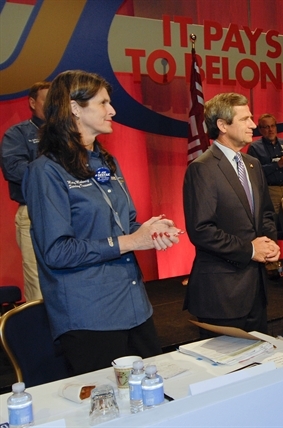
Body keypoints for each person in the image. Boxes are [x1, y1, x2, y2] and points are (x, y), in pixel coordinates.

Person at [23, 70, 181, 375]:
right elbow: (56, 251)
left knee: (154, 395)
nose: (113, 110)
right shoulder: (46, 171)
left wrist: (149, 232)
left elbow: (126, 223)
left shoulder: (108, 162)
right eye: (103, 103)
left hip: (135, 307)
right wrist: (131, 241)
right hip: (90, 317)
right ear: (74, 107)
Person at [183, 92, 279, 335]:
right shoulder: (202, 168)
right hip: (221, 295)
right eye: (245, 119)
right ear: (222, 125)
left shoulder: (253, 164)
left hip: (256, 291)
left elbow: (266, 214)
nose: (253, 125)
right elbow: (201, 230)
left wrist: (269, 243)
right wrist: (251, 250)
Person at [1, 81, 49, 302]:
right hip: (34, 211)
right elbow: (13, 169)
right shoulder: (17, 133)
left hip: (71, 211)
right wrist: (54, 174)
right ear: (32, 102)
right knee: (38, 286)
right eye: (47, 100)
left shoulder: (71, 132)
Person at [247, 113, 283, 214]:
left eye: (273, 126)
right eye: (266, 127)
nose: (271, 130)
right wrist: (277, 165)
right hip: (270, 190)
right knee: (275, 220)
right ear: (260, 130)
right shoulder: (255, 148)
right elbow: (254, 173)